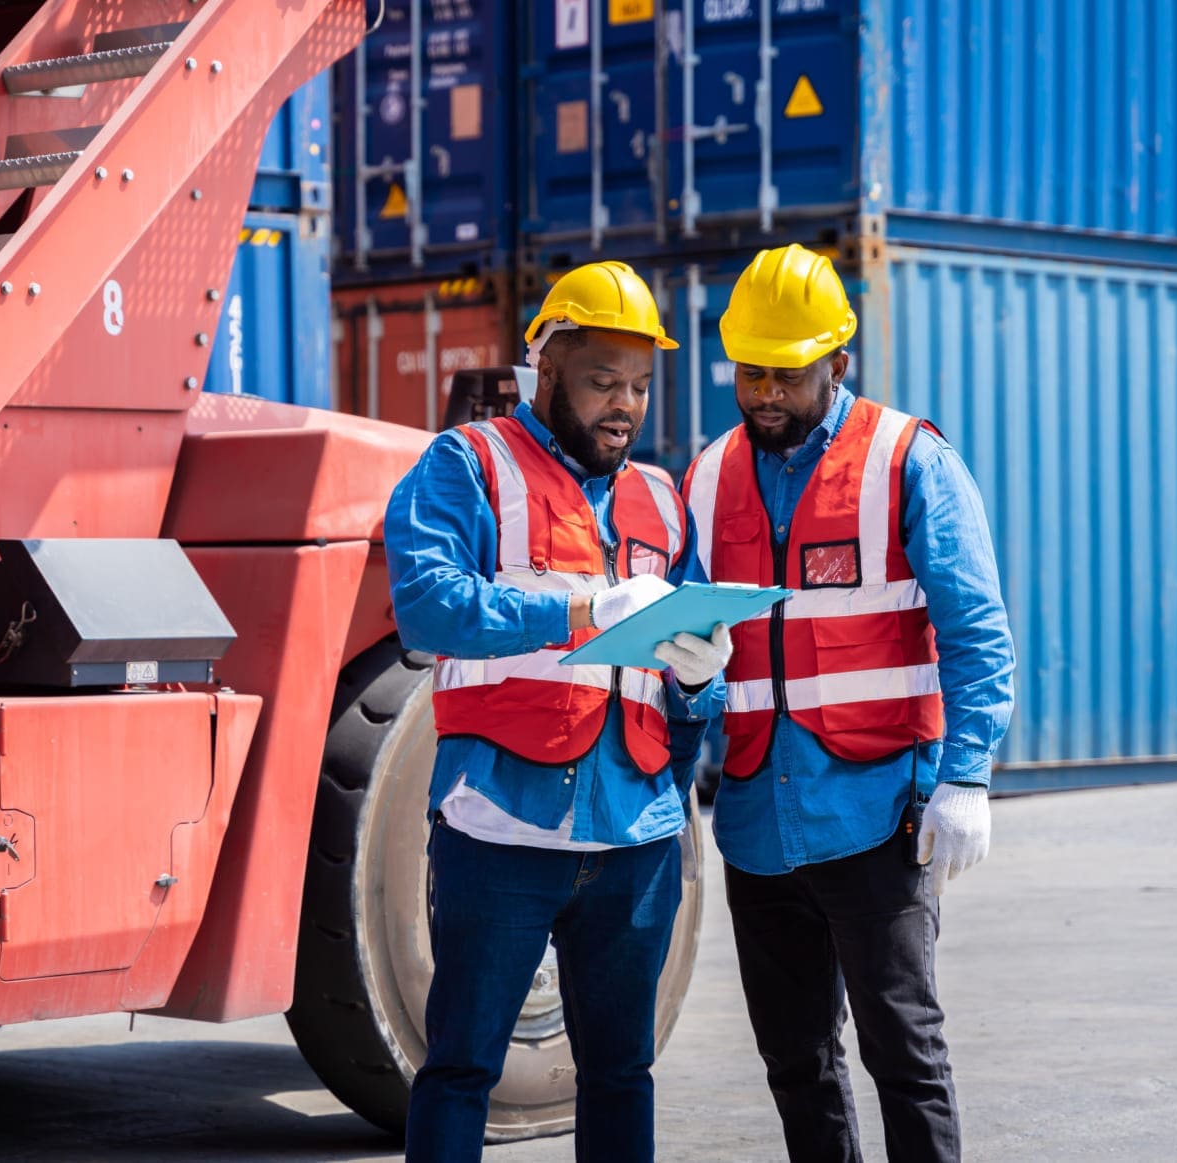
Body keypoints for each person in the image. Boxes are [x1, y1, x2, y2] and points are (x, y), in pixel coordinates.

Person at [384, 261, 731, 1163]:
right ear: (548, 370)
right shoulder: (467, 464)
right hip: (502, 832)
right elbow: (426, 607)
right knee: (461, 1067)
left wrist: (701, 679)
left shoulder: (660, 498)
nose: (625, 404)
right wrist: (578, 610)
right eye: (602, 380)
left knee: (622, 1074)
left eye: (641, 385)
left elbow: (685, 687)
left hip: (637, 838)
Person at [683, 244, 1015, 1162]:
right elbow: (693, 653)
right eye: (750, 372)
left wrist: (967, 778)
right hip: (755, 824)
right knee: (795, 1062)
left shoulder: (909, 460)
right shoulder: (707, 479)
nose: (765, 394)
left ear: (838, 360)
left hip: (877, 819)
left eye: (787, 374)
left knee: (903, 1053)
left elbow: (976, 632)